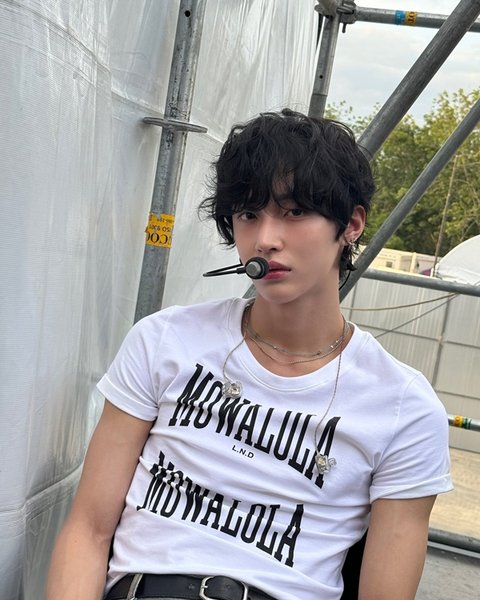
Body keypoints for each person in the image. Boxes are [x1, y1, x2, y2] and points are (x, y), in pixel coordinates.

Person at [46, 108, 452, 600]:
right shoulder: (165, 340)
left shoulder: (404, 408)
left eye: (294, 212)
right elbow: (88, 531)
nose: (265, 240)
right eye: (247, 214)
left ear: (351, 224)